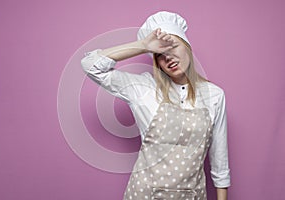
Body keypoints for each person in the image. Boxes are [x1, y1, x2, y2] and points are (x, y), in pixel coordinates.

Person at [81, 11, 230, 200]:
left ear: (187, 47)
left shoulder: (214, 95)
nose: (168, 57)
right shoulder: (142, 88)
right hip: (144, 194)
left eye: (173, 46)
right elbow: (90, 64)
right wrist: (142, 46)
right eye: (160, 54)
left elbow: (219, 159)